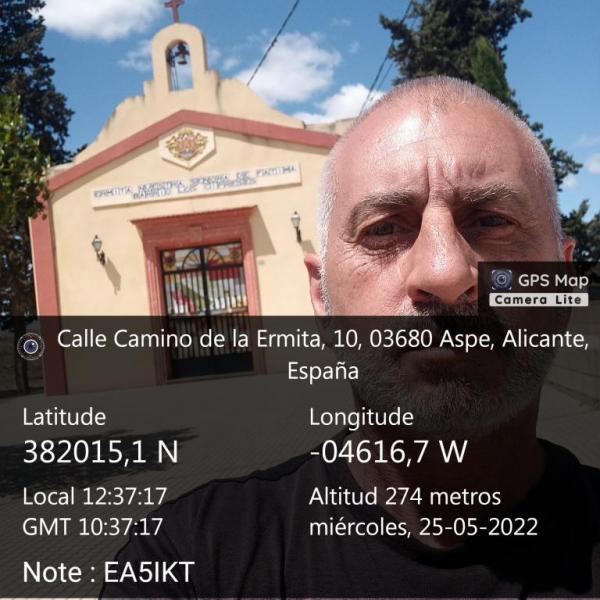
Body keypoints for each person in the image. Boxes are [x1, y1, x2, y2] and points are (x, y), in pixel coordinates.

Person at [101, 76, 600, 598]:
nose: (445, 272)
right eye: (384, 229)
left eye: (493, 221)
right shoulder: (191, 561)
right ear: (323, 299)